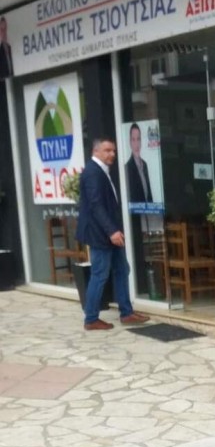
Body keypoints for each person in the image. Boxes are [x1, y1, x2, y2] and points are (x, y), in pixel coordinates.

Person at [76, 137, 150, 331]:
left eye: (114, 151)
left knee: (122, 269)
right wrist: (112, 231)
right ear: (96, 151)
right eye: (107, 150)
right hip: (101, 234)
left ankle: (126, 312)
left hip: (110, 232)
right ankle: (91, 318)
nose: (112, 154)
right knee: (100, 274)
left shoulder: (102, 171)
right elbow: (96, 205)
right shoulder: (92, 172)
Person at [125, 123, 153, 204]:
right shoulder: (127, 167)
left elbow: (149, 195)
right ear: (130, 142)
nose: (136, 144)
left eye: (138, 139)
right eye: (133, 140)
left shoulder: (144, 165)